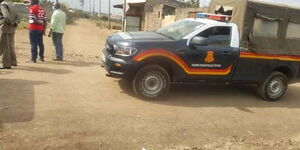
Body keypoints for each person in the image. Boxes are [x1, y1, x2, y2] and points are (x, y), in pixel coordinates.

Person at [0, 0, 18, 69]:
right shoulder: (12, 4)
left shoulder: (3, 5)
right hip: (12, 28)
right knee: (11, 45)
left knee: (4, 46)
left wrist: (11, 23)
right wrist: (14, 23)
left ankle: (6, 64)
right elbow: (17, 16)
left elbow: (6, 16)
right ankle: (13, 62)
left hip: (5, 27)